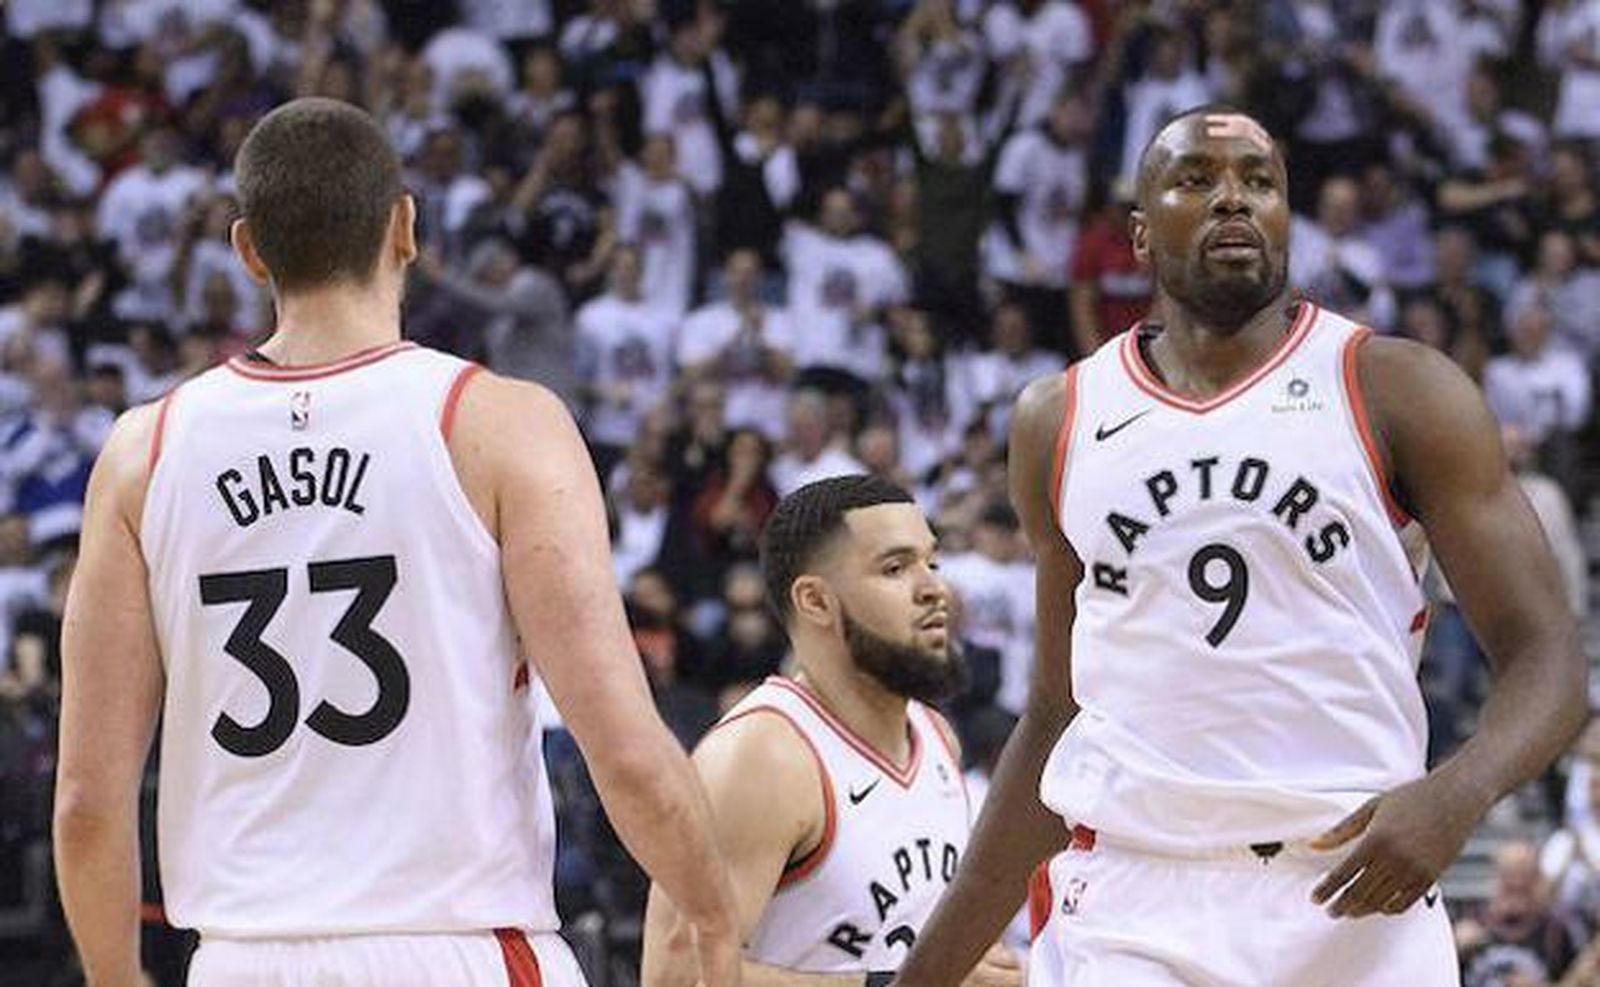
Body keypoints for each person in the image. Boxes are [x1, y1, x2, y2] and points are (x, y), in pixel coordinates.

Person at [52, 98, 740, 987]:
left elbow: (87, 801)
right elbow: (627, 752)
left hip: (241, 959)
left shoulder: (142, 452)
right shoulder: (500, 423)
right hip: (460, 943)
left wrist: (116, 976)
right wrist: (714, 917)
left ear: (249, 250)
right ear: (405, 227)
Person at [892, 106, 1587, 986]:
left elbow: (1549, 657)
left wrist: (1458, 791)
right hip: (1136, 894)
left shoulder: (1397, 388)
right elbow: (1057, 714)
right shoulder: (1059, 418)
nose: (1233, 200)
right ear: (1140, 237)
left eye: (1259, 183)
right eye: (1197, 180)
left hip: (1356, 881)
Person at [639, 474, 1020, 987]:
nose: (934, 589)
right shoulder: (761, 758)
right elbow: (676, 977)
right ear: (816, 601)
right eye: (895, 568)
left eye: (932, 563)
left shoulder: (935, 735)